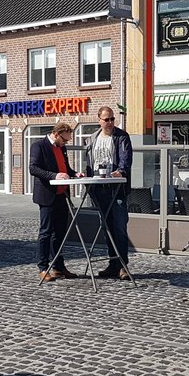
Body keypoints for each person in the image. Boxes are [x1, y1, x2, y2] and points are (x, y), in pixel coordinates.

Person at [83, 106, 133, 279]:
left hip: (116, 189)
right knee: (106, 228)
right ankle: (113, 264)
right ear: (99, 120)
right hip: (98, 189)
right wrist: (88, 182)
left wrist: (121, 171)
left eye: (112, 119)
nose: (110, 122)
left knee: (119, 227)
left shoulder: (121, 137)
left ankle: (123, 266)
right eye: (107, 119)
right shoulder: (92, 138)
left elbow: (126, 160)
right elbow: (89, 162)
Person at [28, 121, 80, 281]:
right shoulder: (39, 146)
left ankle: (59, 267)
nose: (65, 143)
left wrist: (74, 174)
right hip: (47, 195)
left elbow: (65, 168)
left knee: (60, 232)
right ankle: (43, 267)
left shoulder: (61, 148)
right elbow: (33, 168)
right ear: (56, 134)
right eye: (64, 140)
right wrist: (54, 176)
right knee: (46, 232)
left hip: (62, 194)